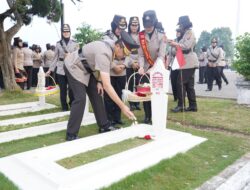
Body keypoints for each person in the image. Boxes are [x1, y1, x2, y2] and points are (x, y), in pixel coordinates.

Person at [63, 30, 139, 141]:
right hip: (73, 66)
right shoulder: (105, 52)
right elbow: (107, 85)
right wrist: (123, 106)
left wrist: (99, 82)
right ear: (118, 46)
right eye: (124, 53)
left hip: (87, 68)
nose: (123, 56)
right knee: (80, 98)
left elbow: (102, 66)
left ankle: (104, 126)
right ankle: (71, 134)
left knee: (97, 94)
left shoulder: (111, 46)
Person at [138, 10, 167, 123]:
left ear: (154, 23)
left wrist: (153, 69)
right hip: (145, 68)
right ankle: (147, 116)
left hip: (158, 68)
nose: (148, 28)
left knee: (157, 92)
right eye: (145, 25)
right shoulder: (141, 36)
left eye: (149, 25)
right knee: (146, 92)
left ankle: (156, 116)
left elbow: (161, 55)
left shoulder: (161, 35)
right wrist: (141, 67)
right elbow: (140, 55)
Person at [169, 15, 199, 112]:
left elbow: (186, 46)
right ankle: (193, 106)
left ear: (184, 24)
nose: (180, 26)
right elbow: (177, 49)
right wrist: (174, 45)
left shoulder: (189, 33)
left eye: (181, 24)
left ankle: (181, 105)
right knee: (189, 85)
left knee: (180, 83)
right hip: (186, 61)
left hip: (188, 61)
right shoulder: (185, 34)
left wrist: (175, 44)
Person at [46, 24, 79, 111]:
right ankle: (64, 107)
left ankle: (72, 104)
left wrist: (70, 55)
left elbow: (78, 56)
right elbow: (55, 58)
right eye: (64, 31)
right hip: (61, 69)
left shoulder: (75, 43)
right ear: (62, 33)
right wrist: (50, 70)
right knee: (63, 90)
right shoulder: (58, 44)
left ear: (70, 32)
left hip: (71, 69)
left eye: (67, 31)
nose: (66, 33)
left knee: (71, 89)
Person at [103, 15, 128, 125]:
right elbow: (104, 54)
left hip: (122, 70)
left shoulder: (126, 37)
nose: (120, 30)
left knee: (119, 94)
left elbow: (131, 54)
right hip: (110, 70)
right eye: (118, 28)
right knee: (109, 96)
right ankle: (109, 118)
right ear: (114, 26)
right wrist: (114, 66)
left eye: (122, 28)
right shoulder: (107, 37)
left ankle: (117, 117)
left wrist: (124, 65)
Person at [126, 16, 141, 111]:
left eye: (136, 25)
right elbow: (125, 52)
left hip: (139, 63)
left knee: (139, 84)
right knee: (130, 84)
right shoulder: (126, 36)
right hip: (129, 62)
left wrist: (139, 63)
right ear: (129, 25)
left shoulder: (141, 36)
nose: (134, 27)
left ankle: (137, 103)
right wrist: (132, 63)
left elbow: (143, 52)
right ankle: (131, 103)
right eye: (133, 25)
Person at [167, 28, 182, 101]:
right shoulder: (173, 41)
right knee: (173, 80)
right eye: (177, 32)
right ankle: (175, 96)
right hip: (173, 62)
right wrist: (167, 65)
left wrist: (176, 46)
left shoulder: (182, 42)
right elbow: (169, 54)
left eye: (179, 32)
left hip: (181, 62)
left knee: (180, 81)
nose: (177, 33)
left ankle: (180, 97)